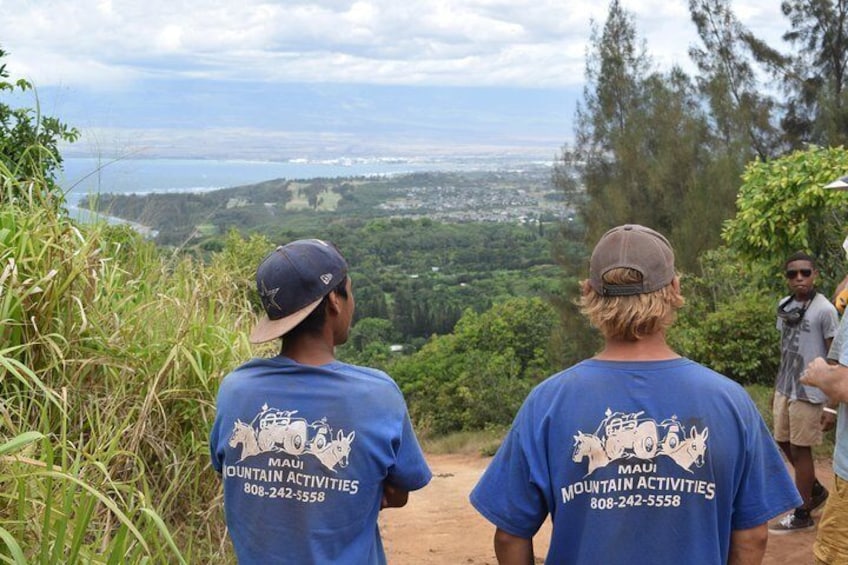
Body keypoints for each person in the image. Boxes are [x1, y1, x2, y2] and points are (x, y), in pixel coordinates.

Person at [469, 224, 801, 564]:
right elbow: (752, 534)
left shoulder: (547, 402)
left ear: (588, 292)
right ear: (674, 289)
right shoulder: (730, 401)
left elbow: (511, 534)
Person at [209, 238, 432, 564]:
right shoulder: (377, 394)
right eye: (350, 291)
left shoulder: (235, 389)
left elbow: (229, 471)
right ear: (334, 302)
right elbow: (398, 494)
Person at [769, 252, 838, 534]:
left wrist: (831, 403)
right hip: (786, 387)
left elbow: (835, 356)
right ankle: (815, 491)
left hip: (809, 391)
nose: (799, 278)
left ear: (815, 274)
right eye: (792, 274)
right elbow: (784, 349)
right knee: (782, 441)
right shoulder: (784, 306)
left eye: (805, 273)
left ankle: (802, 513)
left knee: (801, 448)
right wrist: (777, 388)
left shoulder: (825, 310)